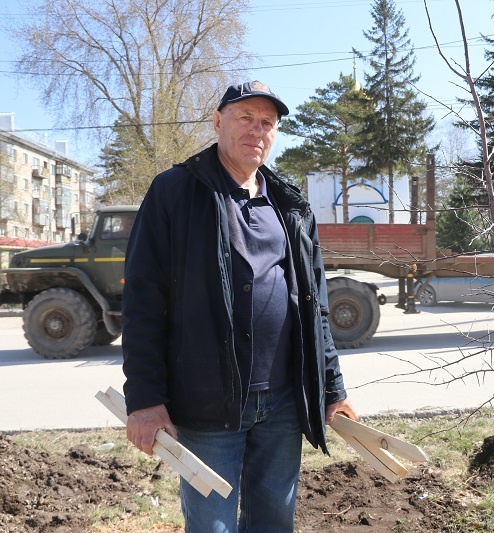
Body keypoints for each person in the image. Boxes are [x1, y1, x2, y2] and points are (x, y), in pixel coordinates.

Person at [121, 80, 357, 532]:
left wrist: (332, 387)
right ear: (217, 122)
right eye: (245, 118)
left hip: (285, 404)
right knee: (212, 526)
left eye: (267, 122)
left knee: (273, 522)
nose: (257, 130)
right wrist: (146, 400)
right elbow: (142, 303)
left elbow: (315, 308)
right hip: (207, 405)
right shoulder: (174, 192)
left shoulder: (290, 206)